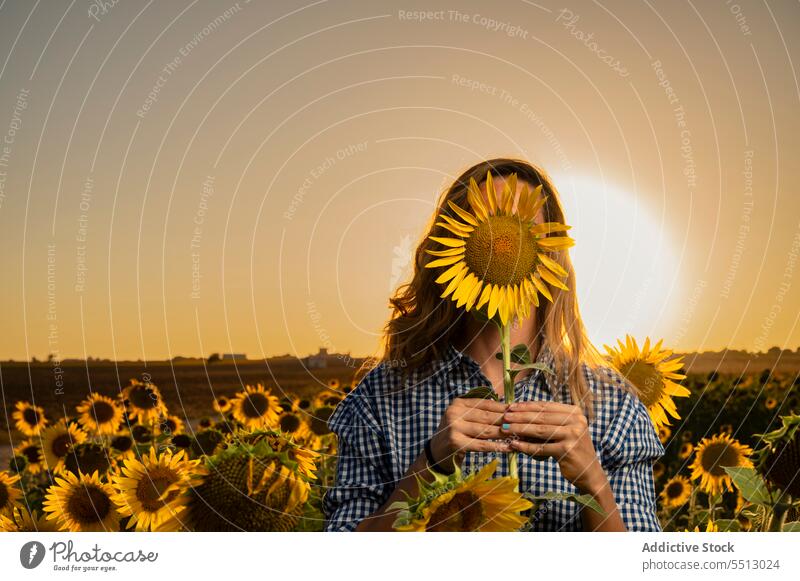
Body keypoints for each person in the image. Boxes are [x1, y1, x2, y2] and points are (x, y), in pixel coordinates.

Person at [322, 158, 663, 532]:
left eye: (523, 225)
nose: (504, 239)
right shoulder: (380, 400)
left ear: (551, 250)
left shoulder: (613, 407)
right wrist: (427, 467)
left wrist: (593, 481)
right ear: (451, 246)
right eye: (481, 223)